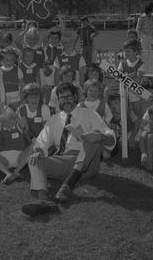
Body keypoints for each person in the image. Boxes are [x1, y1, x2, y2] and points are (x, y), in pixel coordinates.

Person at [21, 82, 115, 216]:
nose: (65, 100)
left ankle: (68, 185)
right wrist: (39, 152)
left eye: (69, 97)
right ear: (58, 100)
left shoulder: (89, 114)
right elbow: (42, 141)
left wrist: (99, 136)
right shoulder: (54, 119)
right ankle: (43, 202)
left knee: (91, 136)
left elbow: (109, 134)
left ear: (76, 97)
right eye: (62, 98)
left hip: (87, 163)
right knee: (34, 159)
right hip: (64, 161)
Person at [0, 104, 32, 185]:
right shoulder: (0, 128)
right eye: (6, 120)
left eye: (12, 119)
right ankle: (8, 173)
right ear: (3, 121)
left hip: (19, 158)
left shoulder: (18, 127)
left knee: (33, 147)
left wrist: (16, 116)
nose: (10, 122)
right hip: (4, 160)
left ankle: (17, 171)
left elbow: (24, 125)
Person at [0, 47, 24, 111]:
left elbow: (22, 85)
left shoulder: (18, 70)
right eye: (7, 60)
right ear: (1, 61)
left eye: (12, 60)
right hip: (3, 98)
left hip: (16, 97)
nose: (9, 62)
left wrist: (21, 99)